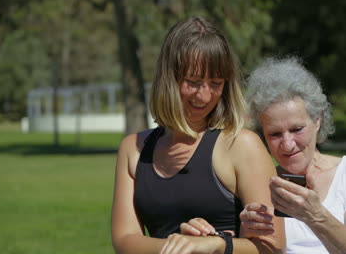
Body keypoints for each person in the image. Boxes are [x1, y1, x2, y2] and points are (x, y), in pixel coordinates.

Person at [111, 17, 285, 254]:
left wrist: (216, 244)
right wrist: (183, 245)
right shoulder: (134, 149)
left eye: (216, 83)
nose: (204, 96)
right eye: (193, 82)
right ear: (168, 78)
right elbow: (124, 241)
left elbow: (273, 246)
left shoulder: (241, 145)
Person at [239, 57, 346, 253]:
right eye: (275, 134)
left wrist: (314, 215)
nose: (287, 145)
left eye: (297, 129)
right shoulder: (260, 185)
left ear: (318, 121)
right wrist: (247, 236)